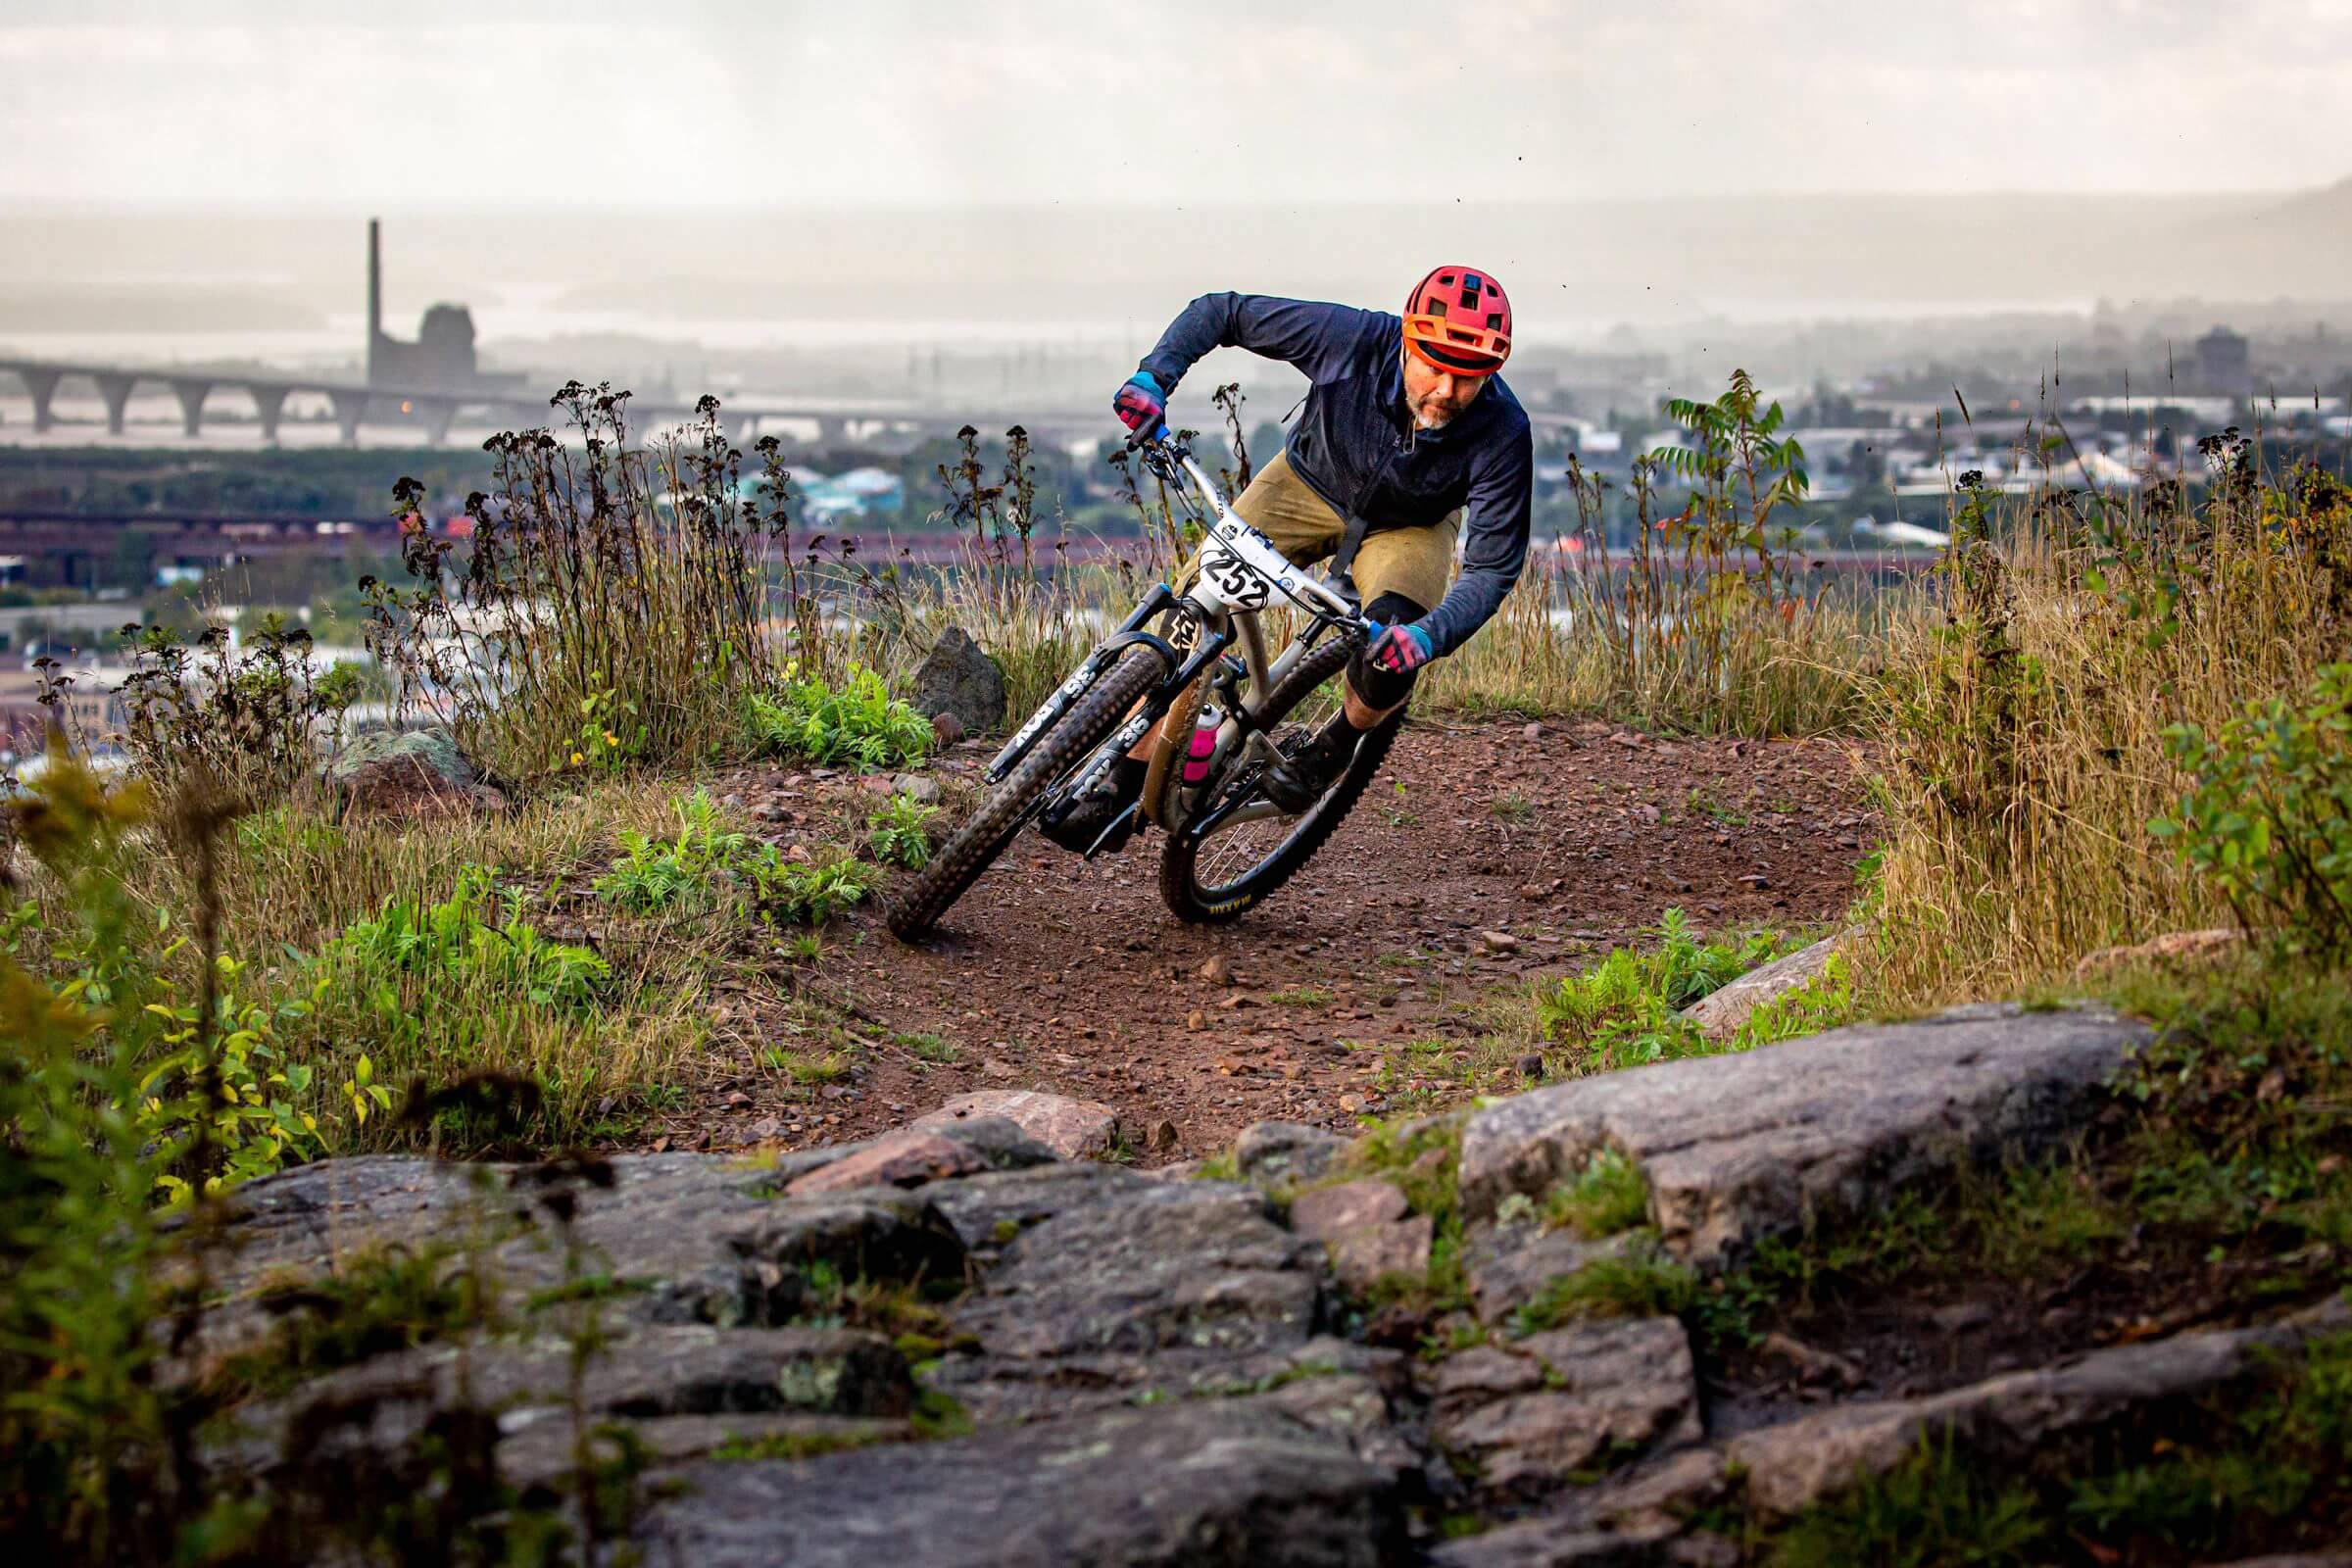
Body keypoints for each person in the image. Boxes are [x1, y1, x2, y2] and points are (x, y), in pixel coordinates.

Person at [1044, 266, 1533, 852]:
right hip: (1305, 483)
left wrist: (1428, 638)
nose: (1448, 392)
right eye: (1435, 368)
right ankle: (1124, 777)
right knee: (1193, 606)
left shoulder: (1504, 431)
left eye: (1468, 379)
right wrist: (1155, 376)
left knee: (1390, 653)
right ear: (1406, 339)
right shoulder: (1350, 339)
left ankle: (1337, 745)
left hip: (1411, 526)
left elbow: (1491, 568)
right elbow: (1224, 312)